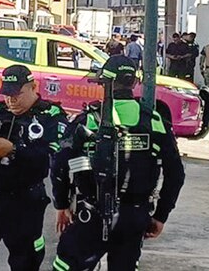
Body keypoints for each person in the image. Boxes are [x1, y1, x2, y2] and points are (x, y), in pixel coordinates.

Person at [50, 55, 186, 271]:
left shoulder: (88, 120)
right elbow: (176, 174)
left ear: (103, 82)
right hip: (134, 217)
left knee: (66, 265)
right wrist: (160, 216)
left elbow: (59, 164)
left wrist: (62, 204)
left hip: (90, 215)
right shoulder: (153, 121)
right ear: (134, 82)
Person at [0, 64, 68, 271]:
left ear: (34, 87)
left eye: (17, 94)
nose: (11, 100)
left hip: (23, 203)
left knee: (25, 262)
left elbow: (54, 156)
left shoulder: (51, 116)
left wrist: (14, 150)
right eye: (7, 94)